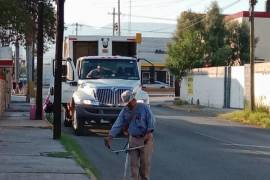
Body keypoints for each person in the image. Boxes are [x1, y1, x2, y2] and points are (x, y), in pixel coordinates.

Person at [104, 90, 155, 180]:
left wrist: (149, 133)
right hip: (133, 139)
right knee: (133, 165)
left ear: (133, 99)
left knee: (145, 165)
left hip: (145, 138)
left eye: (129, 102)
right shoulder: (125, 111)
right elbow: (118, 123)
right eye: (126, 103)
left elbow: (151, 121)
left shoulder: (144, 108)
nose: (128, 105)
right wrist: (110, 136)